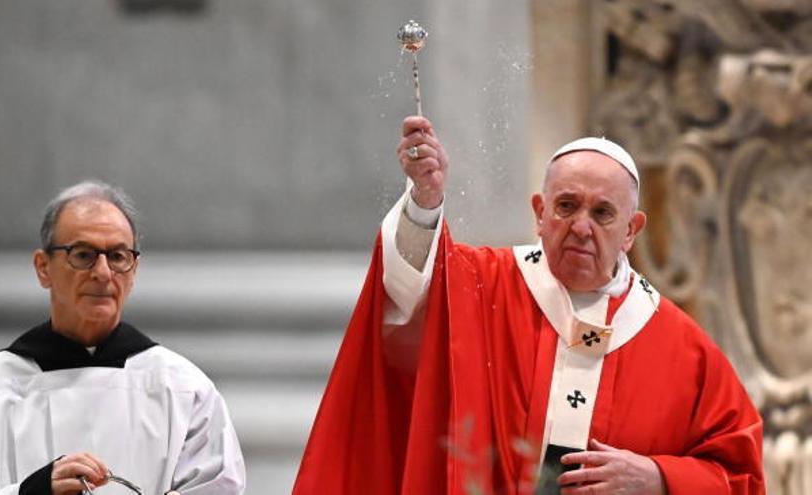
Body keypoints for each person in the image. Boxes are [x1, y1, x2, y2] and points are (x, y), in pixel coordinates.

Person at [294, 117, 764, 494]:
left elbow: (740, 474)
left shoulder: (682, 348)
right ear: (540, 213)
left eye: (602, 213)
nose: (581, 227)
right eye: (566, 206)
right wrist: (425, 202)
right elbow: (406, 293)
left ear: (632, 230)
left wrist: (658, 479)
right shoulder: (483, 287)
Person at [0, 181, 245, 495]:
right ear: (43, 267)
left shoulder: (186, 390)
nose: (103, 273)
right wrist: (34, 492)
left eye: (118, 256)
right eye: (83, 255)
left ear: (134, 271)